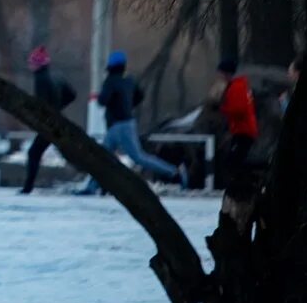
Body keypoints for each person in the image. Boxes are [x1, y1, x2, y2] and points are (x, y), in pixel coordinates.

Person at [79, 50, 187, 194]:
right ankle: (93, 187)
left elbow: (102, 101)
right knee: (111, 157)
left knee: (123, 157)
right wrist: (128, 105)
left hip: (117, 126)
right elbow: (140, 95)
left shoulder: (110, 81)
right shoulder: (130, 79)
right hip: (128, 123)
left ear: (110, 66)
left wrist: (106, 97)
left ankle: (174, 173)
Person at [19, 45, 78, 194]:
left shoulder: (40, 79)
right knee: (71, 154)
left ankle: (28, 187)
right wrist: (59, 107)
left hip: (49, 124)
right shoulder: (55, 75)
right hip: (57, 121)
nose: (30, 65)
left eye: (32, 63)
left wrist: (40, 115)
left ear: (38, 64)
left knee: (33, 153)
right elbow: (72, 94)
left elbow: (42, 103)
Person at [215, 58, 258, 194]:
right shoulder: (239, 85)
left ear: (226, 73)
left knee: (234, 161)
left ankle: (245, 187)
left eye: (220, 73)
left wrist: (222, 108)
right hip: (242, 130)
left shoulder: (236, 87)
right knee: (236, 160)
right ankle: (242, 187)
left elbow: (238, 110)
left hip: (243, 131)